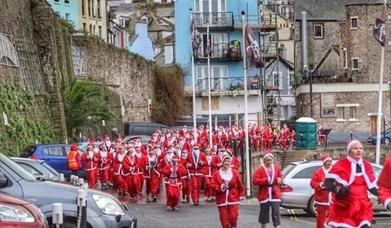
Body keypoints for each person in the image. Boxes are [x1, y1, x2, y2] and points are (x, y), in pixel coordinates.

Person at [325, 140, 378, 228]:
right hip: (345, 206)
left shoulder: (367, 165)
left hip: (362, 206)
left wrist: (382, 195)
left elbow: (372, 187)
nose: (359, 150)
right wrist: (338, 189)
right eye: (355, 148)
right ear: (349, 151)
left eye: (361, 148)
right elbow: (327, 183)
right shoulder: (341, 164)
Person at [211, 155, 244, 228]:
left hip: (233, 198)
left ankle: (233, 225)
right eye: (225, 161)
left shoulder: (235, 172)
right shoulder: (217, 174)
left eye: (228, 161)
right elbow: (213, 185)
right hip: (221, 199)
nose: (227, 163)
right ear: (222, 162)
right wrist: (221, 187)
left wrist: (241, 194)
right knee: (224, 220)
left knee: (233, 216)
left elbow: (240, 185)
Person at [252, 152, 282, 228]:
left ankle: (277, 226)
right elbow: (255, 181)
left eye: (270, 160)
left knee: (276, 214)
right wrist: (266, 180)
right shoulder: (260, 170)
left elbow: (280, 178)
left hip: (275, 194)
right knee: (264, 214)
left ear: (272, 160)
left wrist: (279, 180)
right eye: (267, 160)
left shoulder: (277, 168)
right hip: (264, 195)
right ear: (264, 161)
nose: (268, 162)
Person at [310, 154, 333, 228]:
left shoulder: (334, 170)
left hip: (333, 198)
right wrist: (321, 185)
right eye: (327, 161)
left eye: (330, 161)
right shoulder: (318, 172)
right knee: (320, 217)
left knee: (332, 217)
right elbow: (312, 184)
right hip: (321, 198)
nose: (329, 163)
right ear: (324, 162)